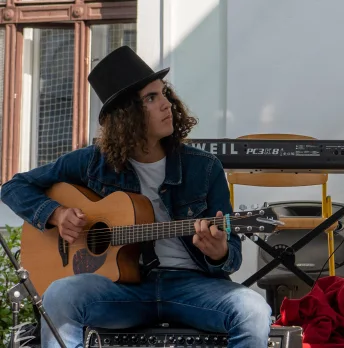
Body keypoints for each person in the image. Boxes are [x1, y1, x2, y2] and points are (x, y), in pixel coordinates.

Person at [0, 46, 272, 348]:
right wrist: (57, 214)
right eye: (151, 98)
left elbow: (231, 255)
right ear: (125, 116)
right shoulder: (93, 162)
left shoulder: (205, 168)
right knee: (60, 295)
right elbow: (13, 187)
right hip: (121, 289)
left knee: (253, 311)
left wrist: (219, 252)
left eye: (164, 93)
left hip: (191, 287)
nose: (166, 104)